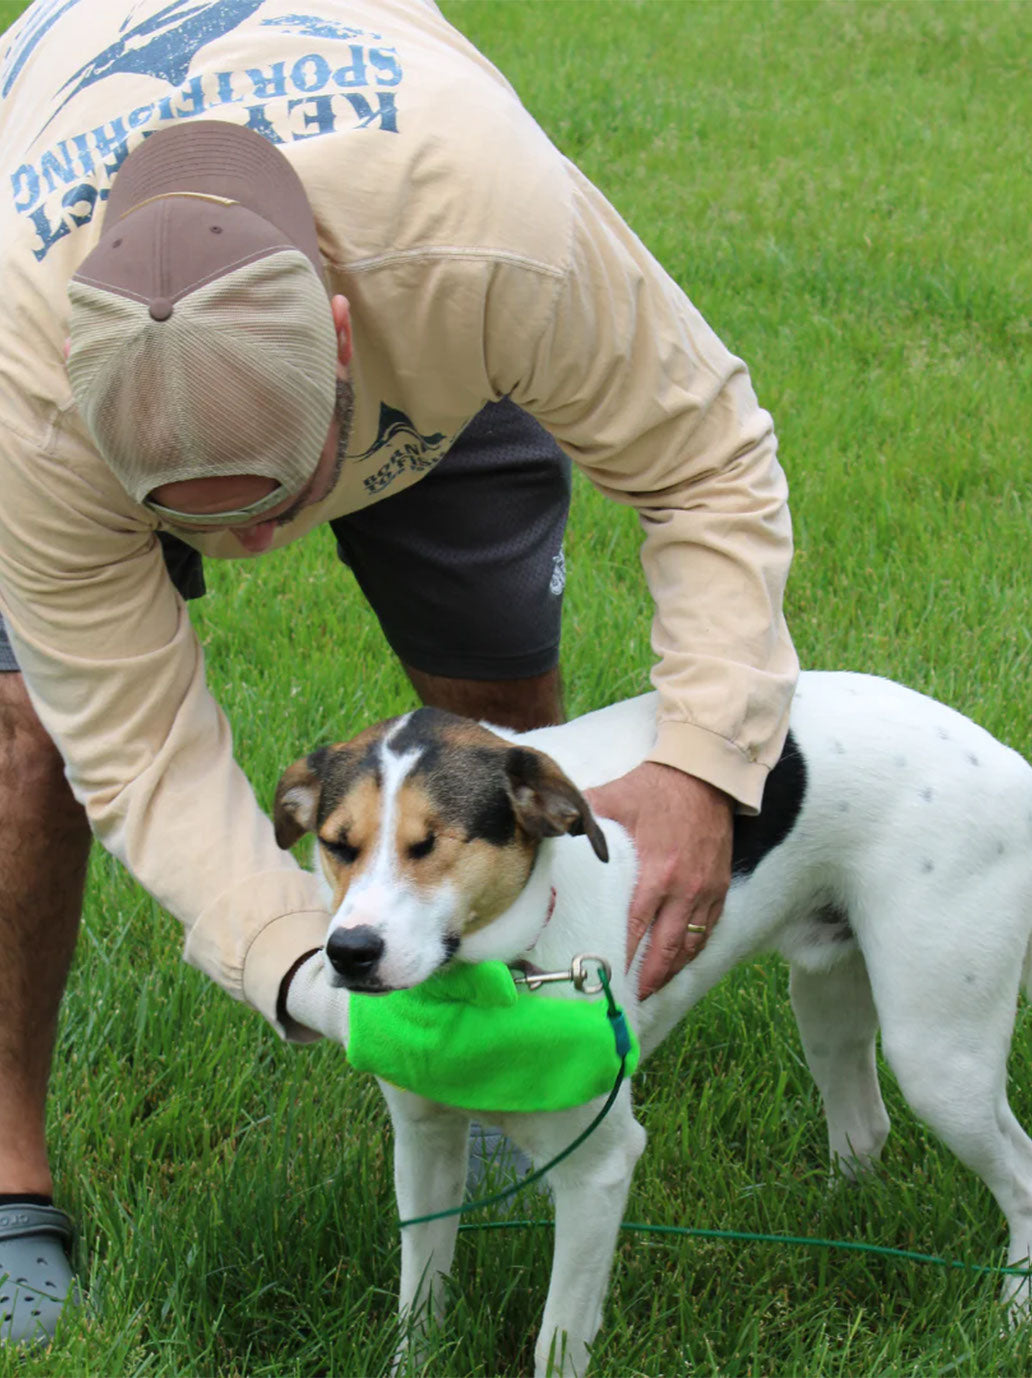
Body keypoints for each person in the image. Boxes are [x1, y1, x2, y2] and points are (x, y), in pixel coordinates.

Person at [0, 0, 798, 1346]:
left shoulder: (487, 226)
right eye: (200, 514)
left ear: (342, 332)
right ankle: (7, 1179)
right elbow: (134, 750)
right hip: (58, 374)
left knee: (490, 705)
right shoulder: (22, 392)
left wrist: (705, 761)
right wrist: (298, 968)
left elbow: (708, 461)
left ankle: (502, 1051)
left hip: (420, 278)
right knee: (23, 728)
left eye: (276, 499)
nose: (254, 547)